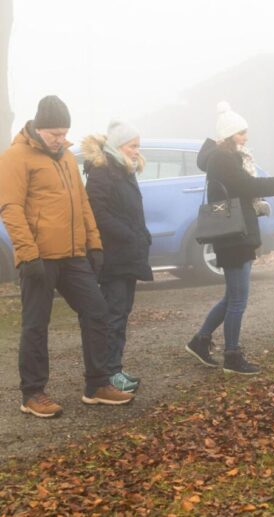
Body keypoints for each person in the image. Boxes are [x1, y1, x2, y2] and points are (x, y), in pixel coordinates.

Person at [0, 96, 135, 418]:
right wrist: (28, 255)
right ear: (38, 128)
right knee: (36, 325)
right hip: (40, 258)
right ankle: (32, 393)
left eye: (64, 133)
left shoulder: (65, 158)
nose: (61, 140)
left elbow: (83, 204)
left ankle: (97, 385)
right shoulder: (15, 157)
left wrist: (95, 244)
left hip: (74, 256)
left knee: (97, 312)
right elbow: (11, 208)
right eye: (54, 134)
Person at [185, 102, 274, 374]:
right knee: (238, 299)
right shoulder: (223, 159)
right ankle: (232, 356)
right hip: (233, 236)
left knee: (232, 296)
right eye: (240, 133)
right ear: (228, 136)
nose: (245, 137)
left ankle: (200, 341)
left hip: (236, 234)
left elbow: (244, 187)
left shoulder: (227, 157)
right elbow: (249, 186)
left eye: (245, 132)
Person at [82, 120, 153, 394]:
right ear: (118, 146)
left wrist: (141, 236)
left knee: (122, 313)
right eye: (133, 146)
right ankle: (109, 374)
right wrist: (129, 235)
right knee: (113, 314)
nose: (137, 151)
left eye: (138, 146)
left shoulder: (125, 171)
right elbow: (98, 213)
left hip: (128, 254)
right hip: (113, 257)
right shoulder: (102, 172)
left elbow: (132, 212)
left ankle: (116, 367)